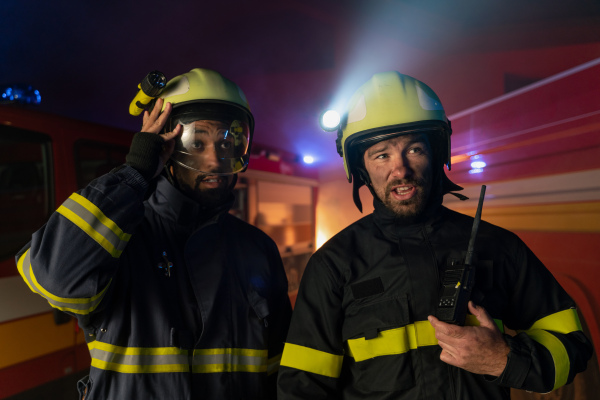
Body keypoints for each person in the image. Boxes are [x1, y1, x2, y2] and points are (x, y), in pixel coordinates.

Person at [277, 72, 592, 399]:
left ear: (437, 153)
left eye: (414, 149)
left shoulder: (497, 246)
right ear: (361, 169)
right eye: (382, 155)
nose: (400, 170)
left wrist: (504, 358)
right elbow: (301, 388)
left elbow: (573, 345)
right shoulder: (333, 265)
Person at [16, 68, 292, 399]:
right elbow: (57, 278)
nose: (214, 158)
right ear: (168, 146)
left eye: (226, 141)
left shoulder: (257, 248)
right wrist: (134, 174)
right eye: (197, 141)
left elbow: (278, 367)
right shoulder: (122, 237)